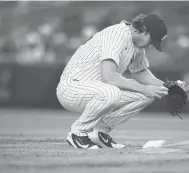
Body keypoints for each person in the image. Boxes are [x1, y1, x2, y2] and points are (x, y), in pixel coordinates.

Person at [56, 13, 169, 149]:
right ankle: (78, 132)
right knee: (112, 92)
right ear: (144, 30)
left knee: (147, 95)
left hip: (97, 90)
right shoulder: (117, 34)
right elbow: (109, 77)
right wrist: (144, 88)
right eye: (152, 40)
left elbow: (140, 72)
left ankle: (98, 133)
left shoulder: (136, 43)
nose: (151, 46)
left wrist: (167, 87)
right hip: (72, 88)